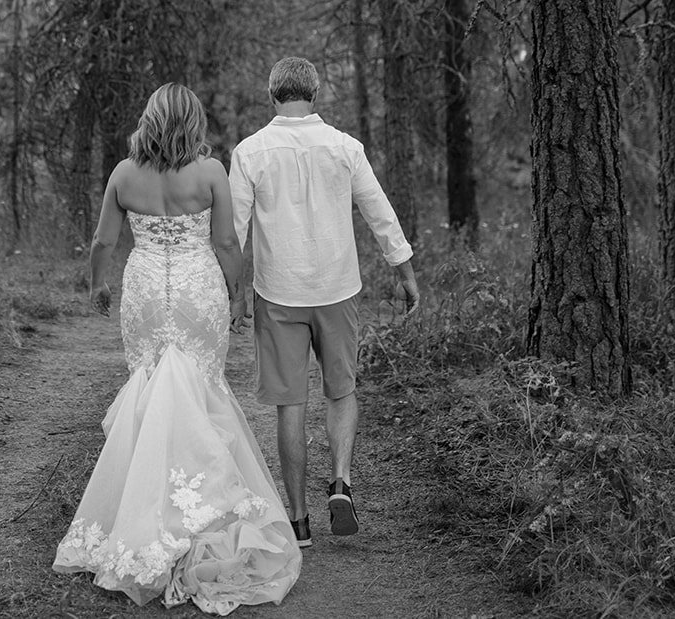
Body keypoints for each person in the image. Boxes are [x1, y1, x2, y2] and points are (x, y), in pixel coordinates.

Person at [53, 83, 301, 615]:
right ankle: (202, 511)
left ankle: (143, 515)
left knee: (148, 386)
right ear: (194, 122)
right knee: (200, 389)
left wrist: (97, 285)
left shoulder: (124, 173)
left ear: (149, 120)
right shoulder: (210, 173)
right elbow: (226, 242)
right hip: (196, 290)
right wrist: (237, 294)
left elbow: (103, 241)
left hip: (144, 288)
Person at [228, 56, 420, 549]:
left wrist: (231, 294)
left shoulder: (249, 152)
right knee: (341, 391)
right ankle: (340, 482)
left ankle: (298, 521)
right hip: (337, 288)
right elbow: (379, 210)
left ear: (273, 95)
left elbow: (234, 232)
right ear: (315, 95)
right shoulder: (345, 147)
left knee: (290, 404)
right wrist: (404, 270)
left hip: (278, 292)